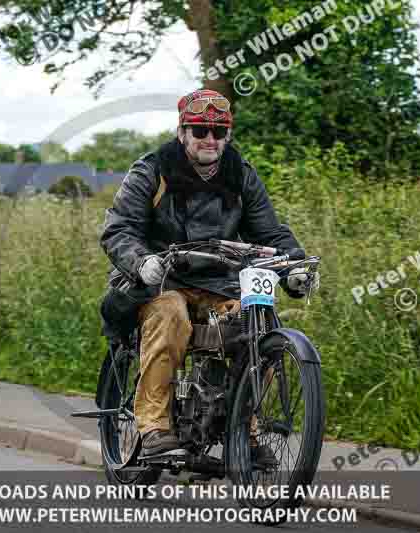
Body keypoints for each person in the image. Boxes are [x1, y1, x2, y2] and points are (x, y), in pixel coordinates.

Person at [100, 89, 311, 460]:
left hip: (219, 281)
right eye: (199, 130)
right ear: (182, 132)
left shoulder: (240, 175)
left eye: (218, 131)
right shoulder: (152, 170)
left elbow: (270, 232)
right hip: (159, 281)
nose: (209, 139)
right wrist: (141, 262)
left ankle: (245, 428)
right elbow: (119, 230)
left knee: (255, 321)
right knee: (171, 315)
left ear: (227, 135)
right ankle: (153, 427)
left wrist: (294, 265)